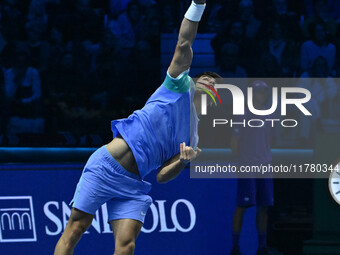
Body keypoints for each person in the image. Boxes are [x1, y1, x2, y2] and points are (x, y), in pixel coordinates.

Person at [54, 1, 220, 254]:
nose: (210, 86)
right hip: (106, 166)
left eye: (215, 88)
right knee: (76, 227)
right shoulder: (178, 85)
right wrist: (198, 4)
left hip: (133, 184)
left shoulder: (193, 137)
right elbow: (184, 42)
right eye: (206, 80)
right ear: (195, 81)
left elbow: (163, 176)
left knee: (126, 246)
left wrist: (182, 162)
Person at [230, 81, 274, 255]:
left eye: (263, 92)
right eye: (257, 92)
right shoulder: (242, 114)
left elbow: (271, 140)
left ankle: (262, 247)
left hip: (266, 166)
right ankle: (235, 247)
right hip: (247, 166)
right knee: (242, 205)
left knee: (264, 207)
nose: (260, 95)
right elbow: (234, 141)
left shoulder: (270, 115)